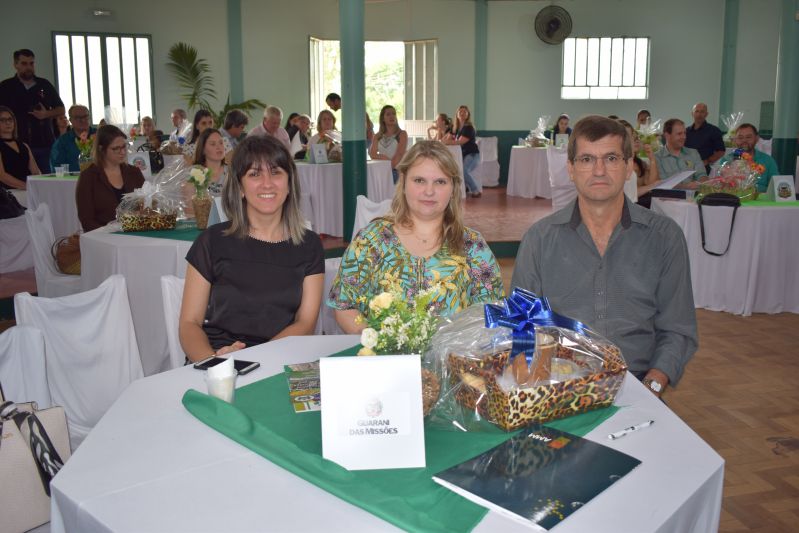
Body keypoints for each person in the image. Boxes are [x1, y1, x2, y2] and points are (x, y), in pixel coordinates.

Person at [511, 115, 697, 397]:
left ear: (629, 167)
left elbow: (678, 328)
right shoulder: (539, 239)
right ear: (571, 169)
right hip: (558, 387)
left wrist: (652, 387)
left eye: (611, 158)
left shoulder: (664, 237)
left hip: (639, 384)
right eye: (587, 159)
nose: (599, 171)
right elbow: (522, 325)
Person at [328, 140, 504, 333]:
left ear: (453, 188)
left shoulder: (472, 246)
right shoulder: (371, 240)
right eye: (419, 180)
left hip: (454, 352)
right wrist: (378, 344)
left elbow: (491, 312)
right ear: (403, 182)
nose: (429, 191)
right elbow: (344, 306)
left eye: (440, 182)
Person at [179, 135, 324, 362]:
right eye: (254, 174)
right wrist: (215, 365)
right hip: (214, 358)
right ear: (240, 187)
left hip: (277, 359)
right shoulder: (211, 241)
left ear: (289, 184)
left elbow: (305, 323)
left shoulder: (309, 245)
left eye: (276, 172)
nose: (267, 183)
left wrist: (256, 361)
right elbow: (189, 323)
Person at [0, 49, 65, 173]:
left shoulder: (44, 84)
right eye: (24, 63)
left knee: (47, 178)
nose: (29, 67)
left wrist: (46, 114)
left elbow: (61, 109)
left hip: (44, 143)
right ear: (16, 65)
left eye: (31, 63)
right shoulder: (6, 86)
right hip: (17, 143)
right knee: (21, 178)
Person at [75, 125, 144, 232]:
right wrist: (110, 234)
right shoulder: (88, 177)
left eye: (124, 146)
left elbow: (147, 206)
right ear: (101, 149)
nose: (122, 152)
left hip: (136, 233)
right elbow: (87, 220)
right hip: (102, 237)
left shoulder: (134, 172)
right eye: (116, 148)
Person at [716, 123, 779, 193]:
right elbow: (721, 185)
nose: (744, 141)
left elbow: (775, 186)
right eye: (740, 138)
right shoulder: (727, 160)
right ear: (735, 140)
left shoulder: (768, 160)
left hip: (761, 198)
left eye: (748, 137)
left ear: (756, 138)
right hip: (734, 197)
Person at [654, 118, 707, 188]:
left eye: (684, 133)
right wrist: (685, 187)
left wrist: (700, 183)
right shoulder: (657, 157)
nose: (684, 137)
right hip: (670, 195)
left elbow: (702, 175)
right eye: (679, 134)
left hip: (695, 193)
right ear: (667, 135)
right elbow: (662, 183)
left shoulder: (693, 153)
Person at [443, 105, 482, 197]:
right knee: (453, 168)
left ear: (468, 115)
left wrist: (447, 141)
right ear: (457, 114)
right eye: (460, 111)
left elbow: (460, 142)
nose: (462, 113)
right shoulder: (455, 127)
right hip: (462, 155)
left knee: (463, 171)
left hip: (472, 155)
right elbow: (446, 138)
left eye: (465, 111)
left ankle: (475, 190)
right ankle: (464, 187)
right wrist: (446, 138)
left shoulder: (469, 128)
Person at [619, 120, 661, 206]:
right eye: (629, 137)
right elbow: (628, 195)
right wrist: (651, 186)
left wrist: (652, 159)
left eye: (635, 136)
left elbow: (651, 183)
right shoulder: (619, 163)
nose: (636, 140)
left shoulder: (639, 162)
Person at [0, 106, 40, 190]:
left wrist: (40, 184)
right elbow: (2, 176)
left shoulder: (24, 146)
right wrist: (27, 186)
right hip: (7, 191)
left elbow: (36, 172)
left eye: (10, 119)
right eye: (2, 120)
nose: (8, 122)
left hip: (28, 188)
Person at [369, 105, 408, 184]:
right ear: (383, 118)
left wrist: (388, 166)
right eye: (388, 114)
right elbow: (372, 154)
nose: (392, 116)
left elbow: (399, 155)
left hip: (397, 171)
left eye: (394, 114)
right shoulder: (377, 136)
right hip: (381, 171)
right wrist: (384, 158)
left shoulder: (402, 134)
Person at [50, 104, 94, 172]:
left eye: (85, 116)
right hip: (73, 178)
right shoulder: (62, 142)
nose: (82, 120)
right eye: (77, 117)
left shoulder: (101, 135)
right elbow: (56, 167)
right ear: (70, 120)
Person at [685, 102, 725, 174]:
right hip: (686, 168)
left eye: (702, 112)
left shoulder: (714, 130)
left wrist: (707, 161)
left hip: (704, 169)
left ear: (706, 114)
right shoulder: (685, 131)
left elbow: (721, 151)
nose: (699, 114)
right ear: (692, 114)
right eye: (697, 111)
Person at [192, 128, 228, 196]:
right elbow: (189, 201)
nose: (219, 147)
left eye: (221, 143)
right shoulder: (194, 174)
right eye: (213, 144)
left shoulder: (233, 173)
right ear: (203, 149)